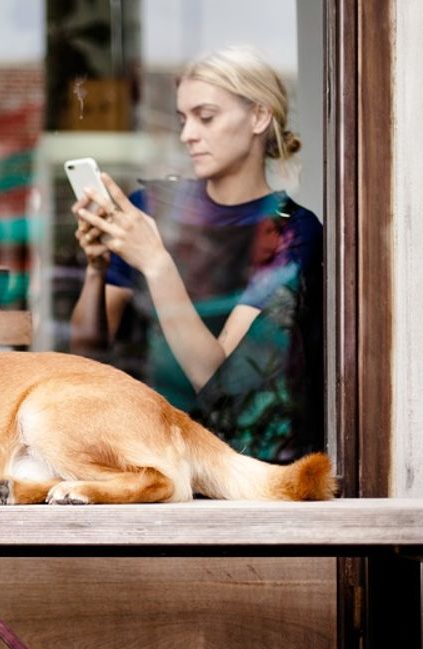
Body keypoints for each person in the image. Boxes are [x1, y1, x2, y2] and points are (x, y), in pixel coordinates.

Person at [68, 46, 324, 462]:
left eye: (205, 117)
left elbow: (216, 377)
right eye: (183, 119)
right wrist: (97, 270)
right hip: (144, 449)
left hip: (240, 462)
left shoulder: (290, 231)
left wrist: (155, 262)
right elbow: (86, 351)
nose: (188, 134)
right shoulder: (150, 208)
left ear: (259, 117)